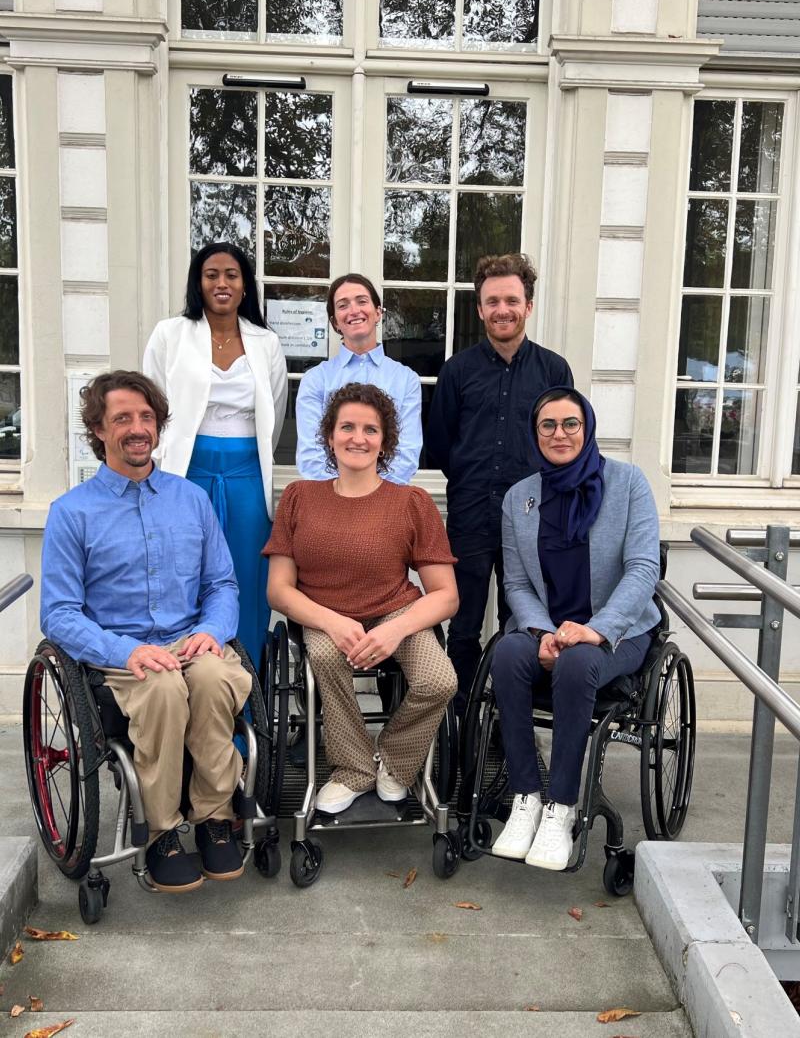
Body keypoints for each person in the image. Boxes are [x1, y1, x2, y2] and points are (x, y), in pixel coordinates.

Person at [40, 371, 253, 892]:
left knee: (212, 677)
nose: (137, 429)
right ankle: (161, 831)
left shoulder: (191, 501)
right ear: (98, 429)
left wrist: (212, 629)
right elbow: (60, 614)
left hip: (189, 637)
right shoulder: (71, 514)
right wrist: (126, 650)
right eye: (122, 419)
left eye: (146, 418)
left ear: (158, 427)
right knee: (160, 687)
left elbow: (222, 582)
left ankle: (215, 818)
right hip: (119, 651)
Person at [265, 383, 457, 814]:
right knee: (328, 658)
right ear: (329, 436)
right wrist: (331, 622)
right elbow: (278, 589)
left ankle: (393, 760)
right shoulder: (299, 497)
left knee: (439, 680)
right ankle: (352, 769)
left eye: (370, 429)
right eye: (347, 427)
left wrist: (394, 629)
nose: (358, 438)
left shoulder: (411, 501)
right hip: (322, 612)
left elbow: (446, 595)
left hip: (396, 611)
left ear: (385, 441)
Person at [490, 387, 660, 870]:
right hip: (546, 628)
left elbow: (644, 568)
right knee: (506, 654)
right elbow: (517, 583)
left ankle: (561, 807)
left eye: (570, 424)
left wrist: (596, 629)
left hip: (617, 633)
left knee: (579, 663)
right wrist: (542, 630)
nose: (559, 434)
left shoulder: (628, 483)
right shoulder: (520, 497)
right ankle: (526, 796)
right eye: (548, 425)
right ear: (535, 433)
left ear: (586, 429)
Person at [426, 253, 573, 715]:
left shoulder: (553, 372)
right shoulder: (458, 371)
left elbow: (565, 440)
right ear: (480, 309)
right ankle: (461, 722)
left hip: (533, 520)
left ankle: (510, 725)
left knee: (522, 624)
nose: (502, 309)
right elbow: (441, 442)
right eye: (493, 301)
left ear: (528, 305)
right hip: (471, 513)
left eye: (512, 299)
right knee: (464, 624)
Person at [143, 241, 288, 665]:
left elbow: (273, 418)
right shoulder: (170, 334)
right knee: (184, 579)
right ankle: (185, 689)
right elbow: (152, 404)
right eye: (212, 275)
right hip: (186, 473)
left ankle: (245, 706)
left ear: (245, 287)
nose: (222, 283)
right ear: (198, 283)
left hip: (245, 477)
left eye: (232, 275)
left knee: (245, 580)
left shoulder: (266, 342)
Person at [295, 273, 422, 485]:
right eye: (343, 305)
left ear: (378, 312)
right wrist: (341, 495)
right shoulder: (316, 380)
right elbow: (311, 455)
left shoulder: (406, 379)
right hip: (330, 504)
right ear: (335, 321)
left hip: (386, 504)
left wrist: (374, 497)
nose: (354, 310)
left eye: (362, 301)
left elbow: (406, 454)